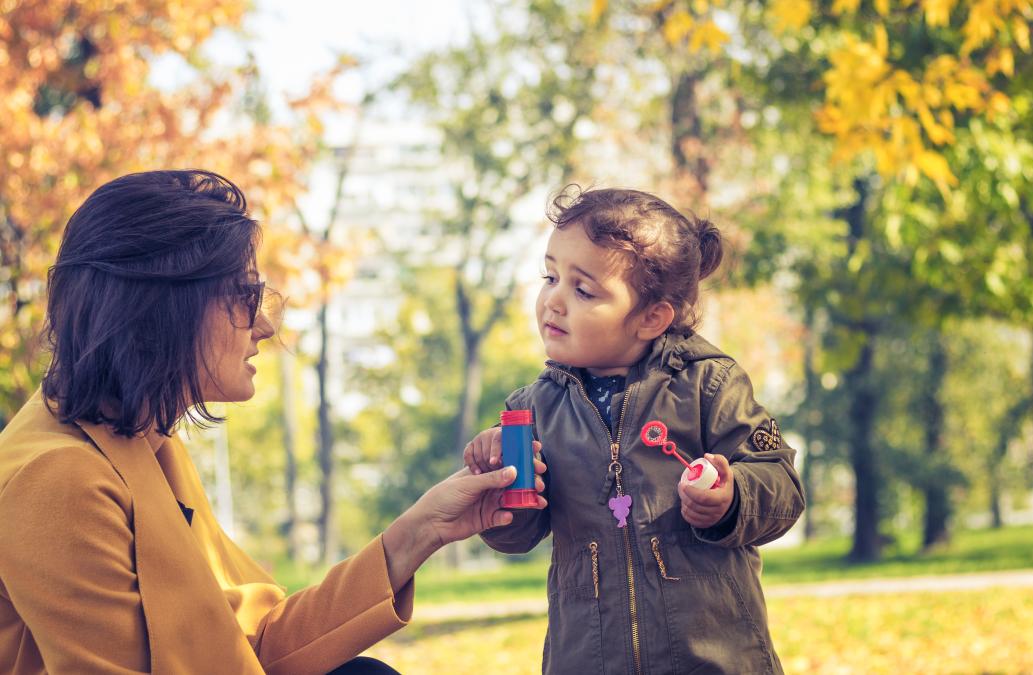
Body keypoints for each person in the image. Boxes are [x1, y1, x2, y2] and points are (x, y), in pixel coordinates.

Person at [0, 170, 546, 675]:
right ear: (162, 306)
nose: (263, 325)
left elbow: (250, 641)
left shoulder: (140, 440)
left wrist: (425, 528)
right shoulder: (57, 478)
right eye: (242, 296)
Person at [463, 186, 806, 674]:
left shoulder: (709, 384)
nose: (553, 301)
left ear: (651, 318)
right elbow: (518, 534)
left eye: (583, 290)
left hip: (712, 657)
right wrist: (500, 491)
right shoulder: (533, 410)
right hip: (588, 659)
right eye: (551, 276)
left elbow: (783, 486)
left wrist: (732, 498)